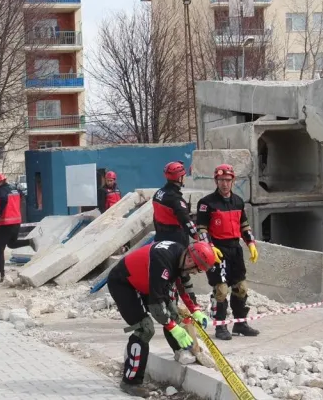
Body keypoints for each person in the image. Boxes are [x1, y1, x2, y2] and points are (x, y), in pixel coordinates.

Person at [107, 240, 215, 398]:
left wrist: (195, 309)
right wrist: (174, 328)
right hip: (124, 283)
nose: (194, 273)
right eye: (196, 270)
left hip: (146, 281)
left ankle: (181, 352)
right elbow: (156, 306)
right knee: (144, 328)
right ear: (191, 260)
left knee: (172, 313)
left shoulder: (182, 255)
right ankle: (130, 381)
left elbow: (184, 285)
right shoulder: (162, 261)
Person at [195, 164, 259, 341]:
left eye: (228, 180)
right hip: (217, 250)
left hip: (235, 249)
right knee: (221, 290)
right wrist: (209, 247)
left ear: (233, 181)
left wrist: (251, 243)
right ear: (216, 181)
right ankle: (220, 325)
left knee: (241, 288)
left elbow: (244, 225)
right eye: (221, 180)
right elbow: (201, 229)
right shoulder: (206, 203)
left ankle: (240, 323)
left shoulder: (238, 201)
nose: (224, 184)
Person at [153, 161, 203, 305]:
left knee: (166, 273)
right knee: (183, 272)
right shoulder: (176, 199)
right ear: (180, 177)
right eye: (184, 175)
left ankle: (170, 302)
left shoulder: (158, 194)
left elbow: (156, 217)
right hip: (176, 240)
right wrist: (198, 237)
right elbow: (187, 223)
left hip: (160, 238)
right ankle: (190, 304)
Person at [0, 173, 36, 283]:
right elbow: (21, 197)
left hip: (6, 223)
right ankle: (30, 242)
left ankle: (0, 275)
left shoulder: (1, 190)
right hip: (16, 221)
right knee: (11, 243)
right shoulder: (15, 188)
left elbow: (4, 199)